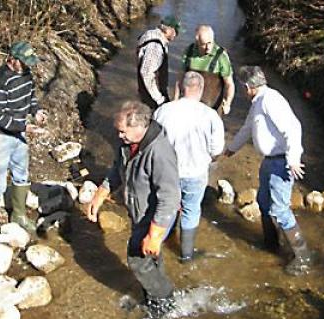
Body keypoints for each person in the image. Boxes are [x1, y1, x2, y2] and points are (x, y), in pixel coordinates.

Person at [86, 101, 180, 317]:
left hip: (155, 216)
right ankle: (152, 299)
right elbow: (117, 171)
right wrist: (101, 193)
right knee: (150, 258)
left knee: (136, 258)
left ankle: (165, 303)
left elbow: (169, 197)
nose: (119, 136)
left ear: (139, 126)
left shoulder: (160, 152)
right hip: (139, 211)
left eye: (122, 131)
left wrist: (155, 234)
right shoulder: (127, 145)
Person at [224, 66, 312, 276]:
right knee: (264, 203)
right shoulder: (258, 102)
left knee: (281, 210)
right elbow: (247, 128)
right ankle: (271, 244)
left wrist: (293, 159)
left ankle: (303, 258)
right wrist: (231, 149)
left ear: (248, 87)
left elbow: (293, 127)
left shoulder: (270, 100)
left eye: (243, 88)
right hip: (269, 162)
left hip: (281, 163)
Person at [154, 71, 225, 263]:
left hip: (167, 172)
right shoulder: (210, 116)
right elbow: (217, 148)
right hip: (196, 172)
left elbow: (152, 143)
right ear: (201, 90)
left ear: (179, 87)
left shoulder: (163, 111)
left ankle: (155, 251)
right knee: (191, 209)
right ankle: (186, 255)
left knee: (165, 209)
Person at [0, 41, 47, 247]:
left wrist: (36, 111)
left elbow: (31, 98)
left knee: (22, 174)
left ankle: (18, 215)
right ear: (13, 59)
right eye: (25, 62)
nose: (28, 67)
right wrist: (24, 127)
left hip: (18, 134)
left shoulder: (26, 75)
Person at [175, 24, 235, 116]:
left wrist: (228, 103)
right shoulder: (189, 52)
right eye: (204, 44)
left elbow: (229, 84)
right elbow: (180, 78)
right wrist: (175, 100)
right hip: (190, 108)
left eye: (210, 43)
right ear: (197, 42)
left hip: (212, 109)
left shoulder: (221, 56)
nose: (208, 47)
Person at [137, 15, 181, 109]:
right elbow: (146, 73)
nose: (176, 35)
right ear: (168, 30)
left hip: (146, 92)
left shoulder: (149, 34)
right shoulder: (156, 46)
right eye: (175, 31)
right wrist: (159, 99)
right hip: (153, 98)